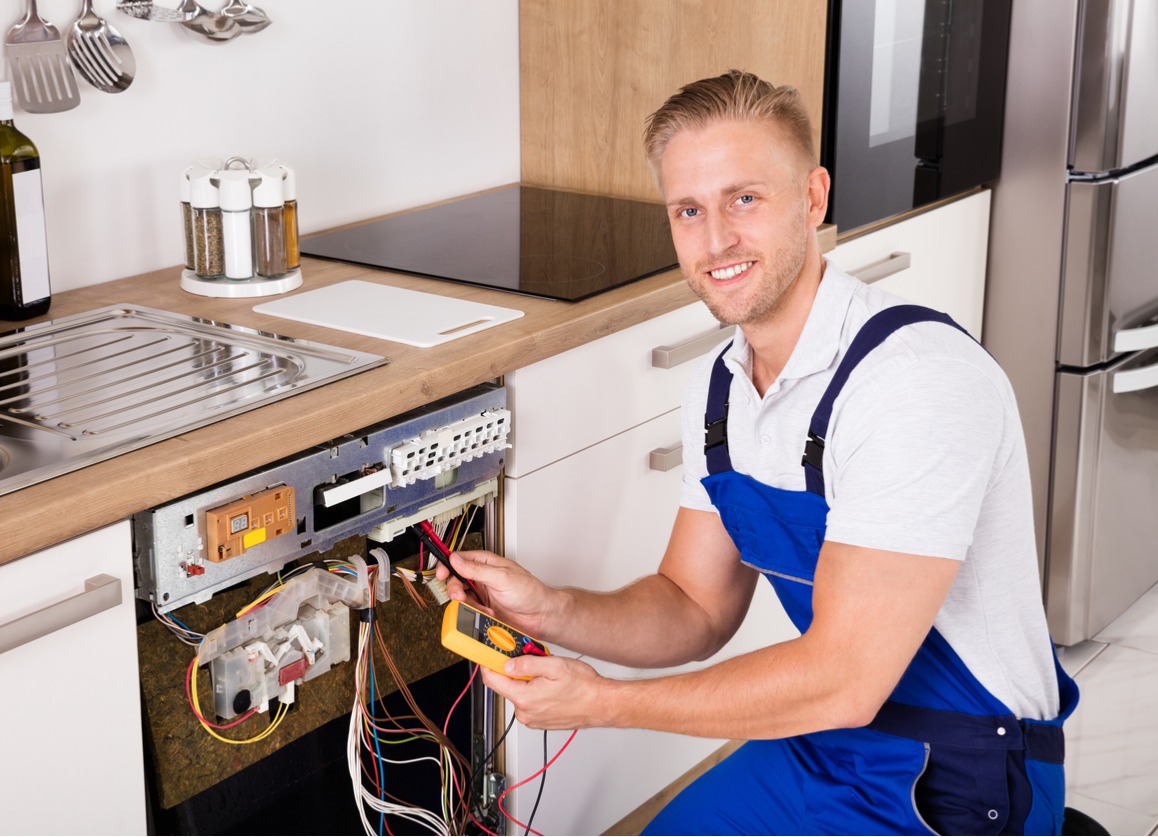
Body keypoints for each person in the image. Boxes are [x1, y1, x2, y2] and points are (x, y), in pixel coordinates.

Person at [440, 69, 1079, 835]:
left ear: (813, 199)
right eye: (688, 209)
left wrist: (605, 702)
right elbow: (693, 605)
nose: (715, 241)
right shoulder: (721, 390)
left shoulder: (912, 380)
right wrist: (552, 608)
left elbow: (843, 677)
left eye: (745, 198)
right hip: (826, 739)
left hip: (964, 768)